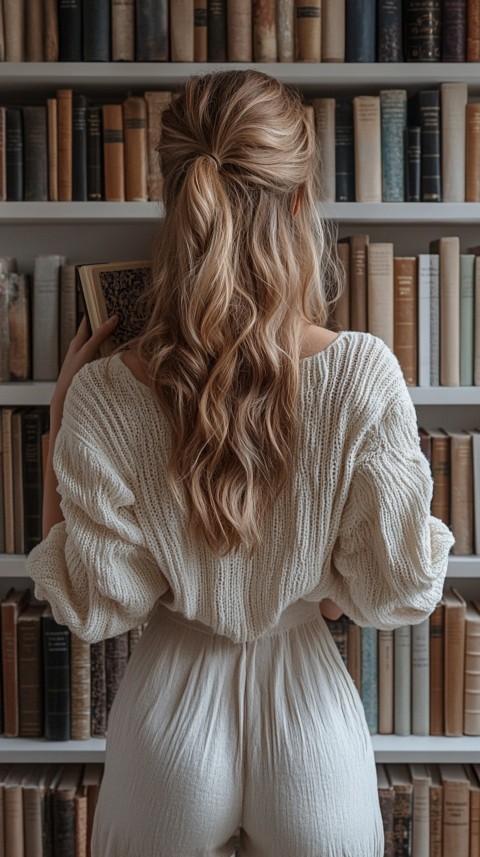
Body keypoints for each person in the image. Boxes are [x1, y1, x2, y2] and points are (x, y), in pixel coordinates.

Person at [26, 69, 454, 857]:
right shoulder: (362, 373)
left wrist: (60, 421)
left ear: (174, 198)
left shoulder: (105, 393)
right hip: (309, 725)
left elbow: (94, 601)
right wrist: (318, 582)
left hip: (168, 718)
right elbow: (397, 586)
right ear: (299, 201)